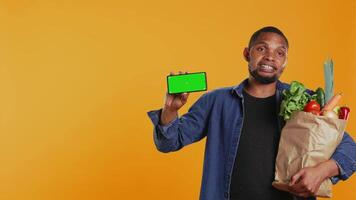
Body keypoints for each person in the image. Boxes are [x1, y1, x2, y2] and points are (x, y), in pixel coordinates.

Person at [147, 26, 356, 200]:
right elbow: (169, 142)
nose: (270, 57)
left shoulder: (302, 101)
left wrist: (322, 171)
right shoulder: (216, 101)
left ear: (285, 62)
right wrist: (170, 110)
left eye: (279, 53)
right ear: (247, 54)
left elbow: (350, 149)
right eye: (261, 49)